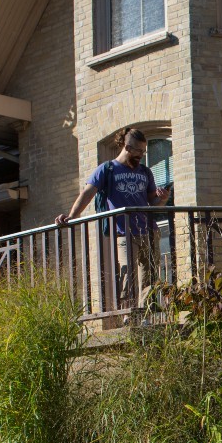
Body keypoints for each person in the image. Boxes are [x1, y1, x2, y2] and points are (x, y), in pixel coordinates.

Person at [55, 128, 170, 308]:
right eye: (139, 151)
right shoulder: (107, 169)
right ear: (127, 148)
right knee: (127, 274)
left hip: (148, 230)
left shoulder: (145, 172)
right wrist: (71, 216)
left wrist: (162, 199)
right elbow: (87, 193)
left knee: (149, 276)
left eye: (144, 151)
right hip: (124, 232)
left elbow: (151, 203)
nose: (142, 155)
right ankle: (128, 314)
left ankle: (145, 313)